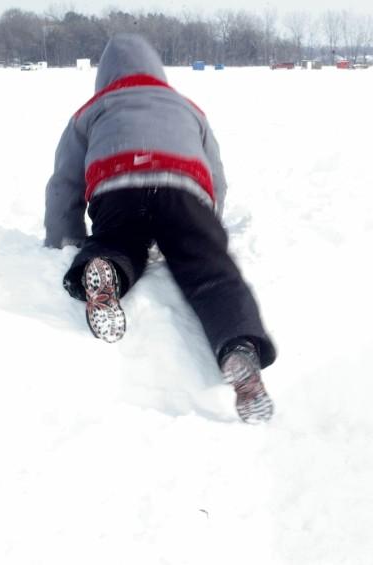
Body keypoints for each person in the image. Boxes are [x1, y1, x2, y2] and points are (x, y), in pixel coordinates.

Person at [44, 33, 276, 424]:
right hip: (183, 189)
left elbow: (64, 184)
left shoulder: (91, 110)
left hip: (116, 188)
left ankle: (105, 272)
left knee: (119, 241)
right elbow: (215, 175)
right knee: (212, 273)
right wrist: (206, 227)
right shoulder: (188, 108)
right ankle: (239, 347)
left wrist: (64, 238)